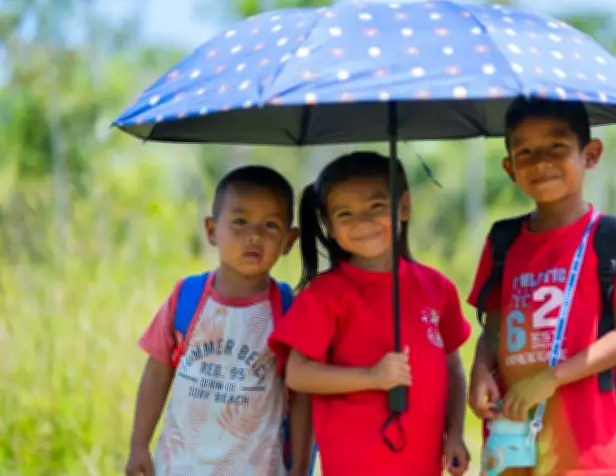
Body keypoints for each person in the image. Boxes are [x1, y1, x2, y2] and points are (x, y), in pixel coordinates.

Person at [467, 99, 616, 476]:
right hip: (512, 438)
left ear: (590, 154)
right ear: (509, 168)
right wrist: (480, 370)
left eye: (556, 147)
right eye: (525, 151)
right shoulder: (503, 241)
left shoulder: (612, 238)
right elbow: (493, 328)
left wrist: (549, 379)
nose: (541, 162)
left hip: (587, 444)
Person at [268, 151, 472, 476]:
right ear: (328, 225)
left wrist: (456, 433)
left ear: (403, 207)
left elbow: (453, 370)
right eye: (344, 213)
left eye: (376, 207)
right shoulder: (325, 295)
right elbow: (298, 374)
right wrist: (372, 378)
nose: (362, 222)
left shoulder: (437, 288)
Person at [125, 165, 314, 476]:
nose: (254, 234)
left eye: (270, 224)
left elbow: (302, 394)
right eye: (240, 221)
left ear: (289, 240)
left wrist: (301, 467)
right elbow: (157, 372)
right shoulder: (187, 297)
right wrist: (138, 445)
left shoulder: (287, 310)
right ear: (212, 230)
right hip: (180, 466)